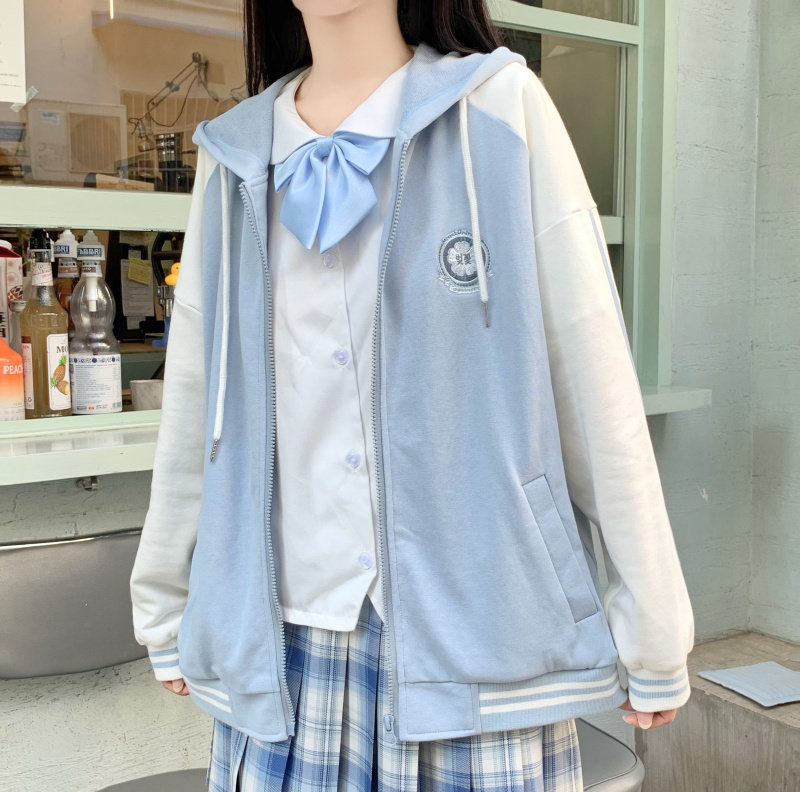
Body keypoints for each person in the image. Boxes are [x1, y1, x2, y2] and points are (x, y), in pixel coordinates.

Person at [129, 1, 696, 790]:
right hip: (285, 645)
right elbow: (198, 395)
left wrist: (653, 623)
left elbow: (592, 373)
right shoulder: (236, 156)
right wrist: (167, 600)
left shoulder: (499, 109)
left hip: (480, 639)